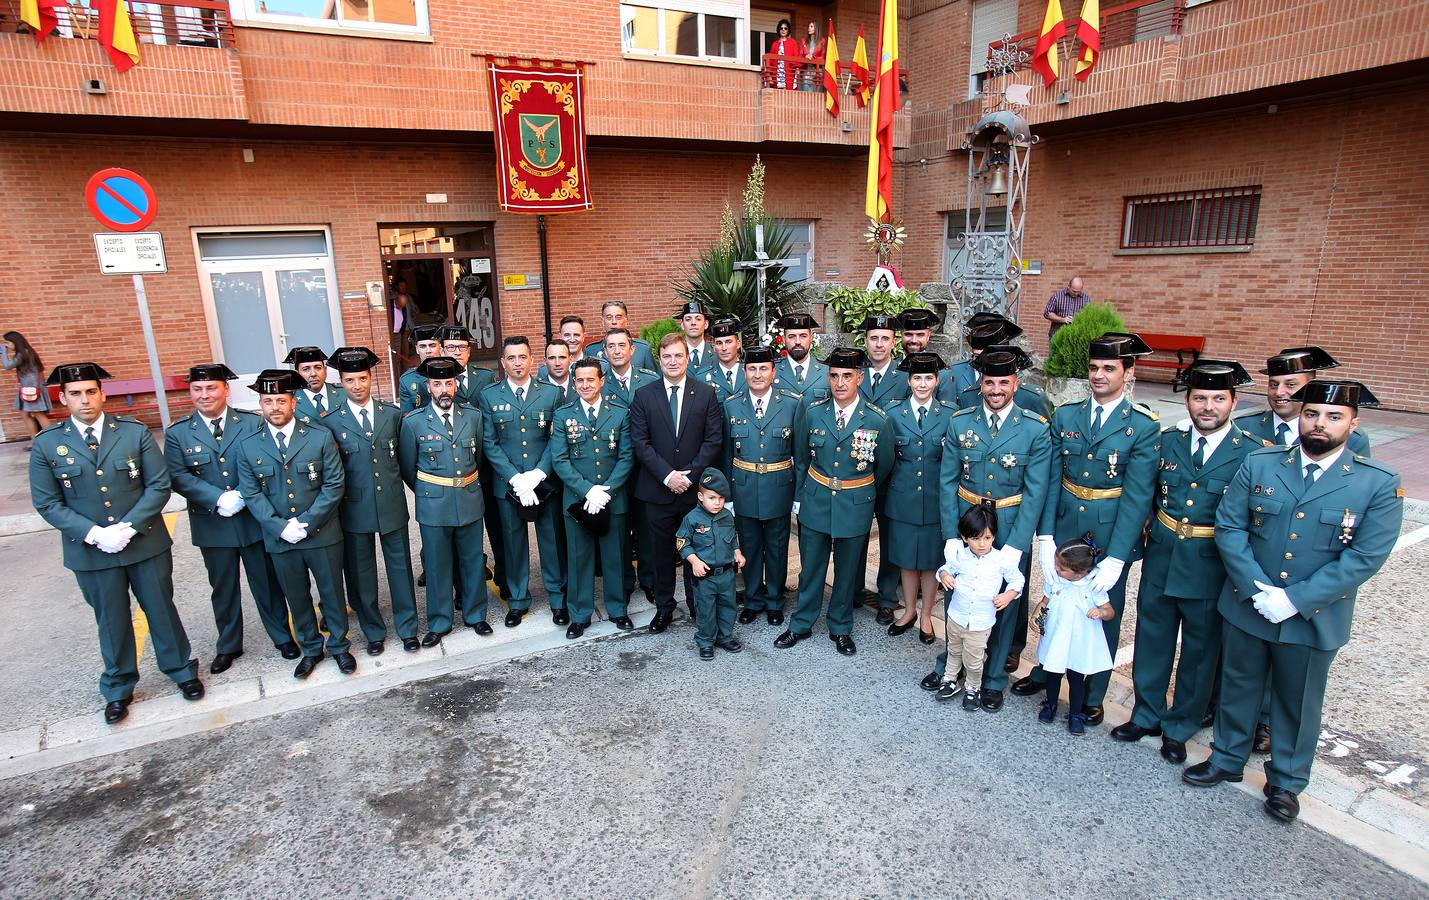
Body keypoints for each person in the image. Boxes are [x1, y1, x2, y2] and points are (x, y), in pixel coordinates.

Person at [1184, 380, 1402, 824]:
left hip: (1312, 616)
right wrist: (1256, 588)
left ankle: (1285, 780)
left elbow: (1365, 557)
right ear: (1300, 417)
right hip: (1250, 603)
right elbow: (1230, 527)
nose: (1320, 424)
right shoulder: (1261, 463)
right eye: (1312, 414)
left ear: (1353, 424)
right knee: (1238, 685)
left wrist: (1294, 600)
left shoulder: (1375, 483)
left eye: (1333, 416)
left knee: (1297, 700)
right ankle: (1226, 756)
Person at [31, 362, 203, 724]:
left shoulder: (132, 433)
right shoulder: (48, 444)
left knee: (160, 608)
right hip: (91, 550)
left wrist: (129, 527)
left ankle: (182, 671)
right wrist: (95, 534)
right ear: (63, 399)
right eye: (75, 394)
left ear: (102, 393)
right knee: (111, 618)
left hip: (143, 543)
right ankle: (118, 687)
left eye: (91, 392)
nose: (85, 400)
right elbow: (47, 503)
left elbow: (158, 484)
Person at [1112, 359, 1259, 762]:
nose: (1207, 407)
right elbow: (1144, 497)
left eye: (1217, 398)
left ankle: (1180, 725)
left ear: (1234, 401)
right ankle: (1146, 713)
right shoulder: (1166, 440)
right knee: (1152, 639)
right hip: (1163, 555)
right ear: (1188, 400)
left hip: (1211, 565)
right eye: (1199, 398)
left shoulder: (1250, 453)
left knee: (1199, 650)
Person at [1012, 332, 1161, 726]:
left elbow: (1138, 496)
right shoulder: (1066, 415)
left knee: (1099, 612)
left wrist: (1116, 556)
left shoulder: (1143, 427)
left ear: (1128, 374)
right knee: (1057, 603)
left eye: (1109, 368)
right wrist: (1045, 535)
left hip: (1110, 531)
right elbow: (1049, 479)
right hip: (1066, 524)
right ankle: (1047, 672)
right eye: (1094, 367)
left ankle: (1093, 691)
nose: (1099, 375)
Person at [924, 344, 1052, 709]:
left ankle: (993, 677)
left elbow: (1036, 490)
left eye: (1004, 383)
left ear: (1016, 383)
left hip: (1010, 526)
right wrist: (951, 536)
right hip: (966, 523)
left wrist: (1017, 544)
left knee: (1002, 604)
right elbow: (947, 482)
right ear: (981, 382)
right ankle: (952, 667)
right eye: (990, 382)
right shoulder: (961, 421)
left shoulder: (1033, 429)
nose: (996, 390)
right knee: (958, 596)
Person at [164, 363, 296, 671]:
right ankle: (228, 644)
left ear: (226, 390)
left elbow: (265, 460)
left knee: (266, 582)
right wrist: (218, 498)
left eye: (211, 388)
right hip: (213, 522)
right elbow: (178, 475)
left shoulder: (250, 424)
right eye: (197, 389)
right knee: (222, 586)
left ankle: (282, 636)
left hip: (253, 518)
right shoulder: (179, 433)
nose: (204, 395)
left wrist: (242, 493)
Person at [235, 369, 354, 679]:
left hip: (321, 533)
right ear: (260, 405)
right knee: (296, 597)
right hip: (280, 538)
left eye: (281, 400)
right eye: (267, 401)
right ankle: (311, 649)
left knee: (331, 593)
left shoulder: (318, 436)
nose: (275, 407)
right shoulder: (248, 445)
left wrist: (306, 522)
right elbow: (250, 492)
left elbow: (334, 484)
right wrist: (279, 527)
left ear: (293, 402)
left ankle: (340, 646)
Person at [776, 348, 895, 656]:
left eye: (847, 376)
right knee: (811, 567)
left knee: (846, 571)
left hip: (854, 503)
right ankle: (801, 623)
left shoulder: (877, 420)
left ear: (860, 378)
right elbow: (801, 458)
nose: (840, 382)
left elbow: (882, 467)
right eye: (834, 376)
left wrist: (859, 492)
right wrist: (801, 498)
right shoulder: (813, 411)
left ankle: (840, 626)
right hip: (816, 500)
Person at [321, 347, 419, 655]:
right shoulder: (331, 422)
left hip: (390, 503)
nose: (357, 386)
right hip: (353, 507)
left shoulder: (391, 414)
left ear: (370, 378)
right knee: (361, 573)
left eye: (362, 378)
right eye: (349, 380)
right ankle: (373, 632)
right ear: (341, 382)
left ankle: (407, 628)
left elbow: (405, 463)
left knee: (400, 568)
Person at [629, 333, 724, 633]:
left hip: (692, 491)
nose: (673, 361)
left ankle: (698, 607)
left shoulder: (705, 393)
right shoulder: (645, 395)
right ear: (659, 359)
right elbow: (640, 443)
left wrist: (689, 475)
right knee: (661, 553)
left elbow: (713, 440)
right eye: (667, 356)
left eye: (678, 356)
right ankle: (664, 608)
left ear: (687, 358)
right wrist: (668, 476)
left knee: (696, 549)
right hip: (657, 490)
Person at [397, 357, 494, 646]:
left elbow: (478, 459)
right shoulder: (413, 423)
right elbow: (408, 467)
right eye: (437, 383)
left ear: (455, 385)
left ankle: (476, 615)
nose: (443, 389)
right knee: (438, 564)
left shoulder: (473, 417)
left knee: (473, 560)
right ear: (428, 386)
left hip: (468, 498)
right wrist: (431, 492)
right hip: (433, 504)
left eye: (448, 383)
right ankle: (439, 622)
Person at [480, 336, 567, 628]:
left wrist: (538, 474)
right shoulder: (490, 396)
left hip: (544, 482)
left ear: (532, 360)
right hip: (509, 485)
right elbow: (490, 444)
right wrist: (516, 478)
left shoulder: (551, 394)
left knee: (551, 543)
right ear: (503, 363)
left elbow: (558, 439)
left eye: (522, 357)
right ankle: (517, 601)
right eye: (511, 359)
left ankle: (558, 598)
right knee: (513, 544)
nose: (517, 363)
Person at [551, 359, 635, 638]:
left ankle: (618, 610)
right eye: (580, 381)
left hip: (613, 499)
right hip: (577, 501)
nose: (585, 385)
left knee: (615, 557)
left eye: (591, 380)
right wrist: (588, 491)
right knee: (579, 559)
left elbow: (626, 458)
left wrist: (606, 491)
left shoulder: (620, 413)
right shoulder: (563, 416)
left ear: (601, 381)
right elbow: (560, 460)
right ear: (574, 384)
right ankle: (579, 614)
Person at [722, 345, 802, 627]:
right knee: (750, 546)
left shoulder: (792, 404)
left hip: (780, 487)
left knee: (778, 547)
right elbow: (726, 454)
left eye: (763, 368)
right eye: (752, 369)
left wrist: (798, 494)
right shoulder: (731, 404)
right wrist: (727, 496)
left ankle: (775, 600)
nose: (757, 374)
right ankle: (754, 600)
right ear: (744, 372)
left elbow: (800, 453)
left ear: (773, 371)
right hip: (743, 487)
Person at [884, 352, 956, 643]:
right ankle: (909, 610)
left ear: (937, 381)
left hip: (935, 500)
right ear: (909, 380)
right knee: (905, 559)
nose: (922, 384)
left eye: (928, 378)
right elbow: (886, 459)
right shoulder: (893, 414)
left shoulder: (950, 415)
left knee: (929, 561)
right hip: (902, 500)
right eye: (917, 378)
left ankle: (926, 614)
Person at [935, 503, 1025, 710]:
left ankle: (973, 687)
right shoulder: (960, 555)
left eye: (988, 538)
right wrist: (945, 575)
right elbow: (943, 569)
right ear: (965, 538)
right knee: (954, 650)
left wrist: (1008, 595)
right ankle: (949, 679)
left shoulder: (1000, 559)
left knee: (974, 659)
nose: (982, 544)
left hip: (980, 622)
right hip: (956, 616)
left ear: (994, 536)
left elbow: (1017, 580)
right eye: (976, 538)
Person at [440, 323, 505, 600]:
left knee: (497, 527)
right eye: (450, 348)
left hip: (486, 468)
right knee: (458, 535)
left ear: (470, 351)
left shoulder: (486, 378)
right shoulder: (433, 381)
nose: (456, 353)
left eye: (462, 348)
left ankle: (504, 577)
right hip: (454, 471)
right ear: (442, 350)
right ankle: (462, 589)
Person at [600, 327, 660, 601]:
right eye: (611, 346)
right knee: (619, 529)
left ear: (632, 350)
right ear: (604, 351)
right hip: (613, 469)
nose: (616, 351)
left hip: (645, 468)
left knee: (647, 529)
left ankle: (649, 579)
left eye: (621, 345)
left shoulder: (648, 380)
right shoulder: (599, 382)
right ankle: (624, 581)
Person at [1033, 535, 1114, 735]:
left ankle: (1076, 712)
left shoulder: (1093, 586)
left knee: (1076, 677)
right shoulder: (1056, 580)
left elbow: (1109, 611)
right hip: (1057, 635)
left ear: (1079, 572)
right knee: (1053, 672)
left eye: (1061, 568)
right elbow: (1045, 601)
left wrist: (1100, 612)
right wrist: (1037, 615)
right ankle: (1050, 704)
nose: (1056, 570)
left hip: (1079, 640)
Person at [860, 314, 910, 625]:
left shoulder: (906, 376)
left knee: (890, 537)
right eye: (873, 338)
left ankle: (888, 598)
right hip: (858, 471)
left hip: (893, 472)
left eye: (885, 338)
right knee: (854, 536)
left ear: (894, 342)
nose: (879, 344)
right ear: (865, 341)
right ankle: (851, 589)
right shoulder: (854, 372)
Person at [1236, 346, 1370, 458]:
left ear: (1309, 387)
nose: (1279, 392)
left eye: (1291, 385)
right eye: (1273, 384)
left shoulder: (1350, 437)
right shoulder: (1241, 426)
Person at [676, 468, 746, 660]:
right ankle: (706, 641)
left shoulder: (726, 516)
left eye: (721, 498)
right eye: (712, 498)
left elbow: (732, 538)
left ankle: (724, 637)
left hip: (726, 574)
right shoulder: (692, 519)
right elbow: (682, 542)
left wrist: (737, 552)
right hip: (705, 576)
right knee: (706, 610)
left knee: (728, 607)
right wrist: (694, 561)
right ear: (700, 496)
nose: (717, 503)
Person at [951, 316, 1053, 417]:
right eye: (977, 357)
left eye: (987, 356)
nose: (982, 362)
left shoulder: (1033, 397)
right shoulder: (969, 396)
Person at [2, 330, 51, 443]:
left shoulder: (23, 353)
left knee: (39, 415)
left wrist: (3, 352)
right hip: (29, 389)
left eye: (8, 343)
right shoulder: (26, 352)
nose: (7, 346)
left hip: (31, 390)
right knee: (25, 414)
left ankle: (52, 440)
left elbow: (8, 365)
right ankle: (35, 441)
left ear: (15, 342)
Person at [772, 312, 830, 403]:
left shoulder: (827, 372)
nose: (797, 341)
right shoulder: (772, 372)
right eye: (792, 336)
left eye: (803, 336)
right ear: (783, 339)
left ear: (811, 338)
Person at [589, 301, 657, 372]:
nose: (614, 322)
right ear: (602, 321)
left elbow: (654, 379)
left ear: (626, 320)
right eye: (609, 318)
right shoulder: (591, 351)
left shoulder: (643, 349)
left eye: (618, 318)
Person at [284, 346, 344, 424]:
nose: (313, 374)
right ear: (297, 374)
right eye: (306, 369)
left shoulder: (344, 392)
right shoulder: (289, 400)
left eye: (318, 368)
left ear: (325, 371)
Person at [398, 324, 443, 413]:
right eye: (423, 346)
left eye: (432, 345)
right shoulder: (407, 380)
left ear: (440, 348)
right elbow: (407, 417)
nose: (428, 351)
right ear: (417, 350)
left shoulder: (455, 374)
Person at [703, 318, 745, 403]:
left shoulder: (752, 372)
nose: (724, 348)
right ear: (713, 347)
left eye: (729, 342)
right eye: (719, 343)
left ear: (738, 344)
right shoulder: (703, 378)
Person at [1043, 276, 1090, 346]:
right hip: (1057, 335)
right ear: (1068, 287)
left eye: (1078, 291)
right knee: (1055, 356)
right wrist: (1063, 319)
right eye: (1074, 291)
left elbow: (1088, 315)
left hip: (1076, 337)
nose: (1076, 294)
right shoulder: (1057, 296)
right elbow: (1047, 313)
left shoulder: (1085, 298)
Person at [679, 301, 714, 375]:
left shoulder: (716, 353)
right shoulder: (674, 355)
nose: (693, 323)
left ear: (706, 324)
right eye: (688, 319)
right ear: (682, 325)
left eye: (698, 319)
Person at [541, 340, 576, 405]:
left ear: (570, 359)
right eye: (552, 358)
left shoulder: (581, 387)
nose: (557, 363)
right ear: (545, 361)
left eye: (562, 357)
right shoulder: (534, 392)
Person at [770, 19, 801, 90]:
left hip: (788, 73)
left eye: (785, 28)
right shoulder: (774, 44)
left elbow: (796, 57)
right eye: (781, 28)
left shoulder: (792, 42)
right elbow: (771, 62)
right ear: (779, 30)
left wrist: (797, 68)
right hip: (777, 74)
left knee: (788, 95)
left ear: (788, 30)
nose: (783, 30)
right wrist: (770, 75)